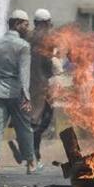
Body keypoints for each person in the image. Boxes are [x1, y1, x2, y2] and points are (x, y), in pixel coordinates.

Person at [0, 9, 36, 175]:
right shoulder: (23, 46)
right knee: (24, 128)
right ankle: (30, 164)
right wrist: (26, 97)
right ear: (17, 23)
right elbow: (24, 73)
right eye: (25, 24)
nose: (27, 28)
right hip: (16, 92)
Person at [28, 9, 56, 170]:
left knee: (32, 120)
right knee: (44, 119)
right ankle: (34, 155)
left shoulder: (28, 36)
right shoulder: (47, 38)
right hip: (43, 84)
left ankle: (32, 154)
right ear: (46, 22)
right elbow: (47, 63)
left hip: (29, 85)